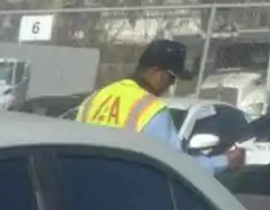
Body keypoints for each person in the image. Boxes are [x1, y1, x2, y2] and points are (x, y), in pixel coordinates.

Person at [77, 38, 246, 173]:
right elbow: (178, 168)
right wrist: (224, 161)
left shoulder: (95, 98)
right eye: (171, 77)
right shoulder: (150, 109)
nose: (171, 85)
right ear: (156, 71)